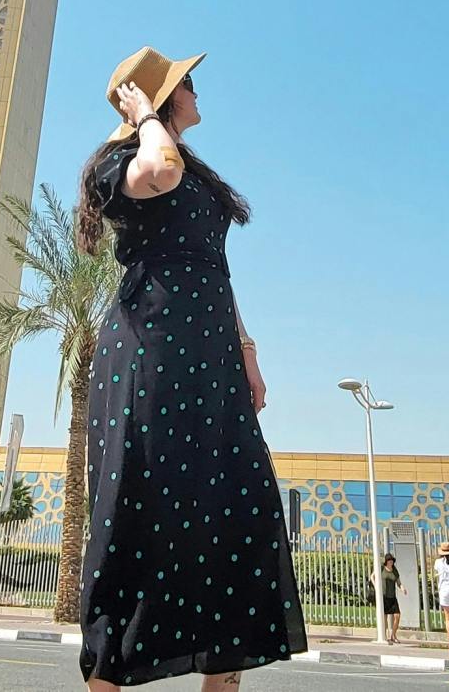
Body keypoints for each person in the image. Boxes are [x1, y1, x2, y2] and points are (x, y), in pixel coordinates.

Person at [75, 47, 308, 690]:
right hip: (149, 350)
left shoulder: (193, 169)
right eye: (189, 85)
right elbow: (160, 168)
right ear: (160, 98)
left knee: (239, 505)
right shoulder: (122, 162)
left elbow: (217, 272)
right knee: (138, 508)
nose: (199, 93)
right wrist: (145, 117)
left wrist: (249, 354)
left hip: (211, 359)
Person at [380, 553, 402, 642]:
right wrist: (375, 585)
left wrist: (402, 589)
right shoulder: (381, 569)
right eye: (389, 560)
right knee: (384, 617)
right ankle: (384, 636)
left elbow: (399, 582)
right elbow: (372, 576)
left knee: (397, 615)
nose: (391, 562)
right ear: (386, 561)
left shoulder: (394, 570)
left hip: (392, 596)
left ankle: (393, 635)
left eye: (392, 560)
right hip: (384, 596)